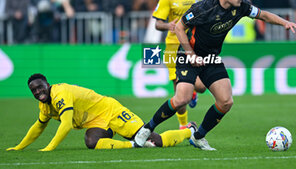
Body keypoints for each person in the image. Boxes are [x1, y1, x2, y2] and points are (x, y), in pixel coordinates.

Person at [135, 0, 296, 151]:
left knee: (226, 101)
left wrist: (284, 23)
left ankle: (198, 137)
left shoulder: (242, 7)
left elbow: (263, 15)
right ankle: (147, 129)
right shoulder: (204, 8)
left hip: (211, 58)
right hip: (187, 55)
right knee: (182, 97)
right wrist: (191, 54)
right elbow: (180, 28)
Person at [6, 73, 198, 151]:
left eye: (41, 88)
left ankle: (190, 131)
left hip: (111, 111)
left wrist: (49, 148)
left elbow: (65, 124)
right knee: (92, 142)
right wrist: (19, 147)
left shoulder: (59, 93)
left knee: (156, 141)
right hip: (96, 122)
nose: (39, 92)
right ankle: (133, 146)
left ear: (47, 85)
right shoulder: (44, 105)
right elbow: (37, 127)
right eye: (34, 91)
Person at [152, 0, 212, 129]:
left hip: (197, 45)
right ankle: (183, 125)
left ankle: (193, 91)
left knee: (201, 86)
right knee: (179, 90)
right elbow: (157, 23)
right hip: (174, 48)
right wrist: (167, 25)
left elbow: (212, 11)